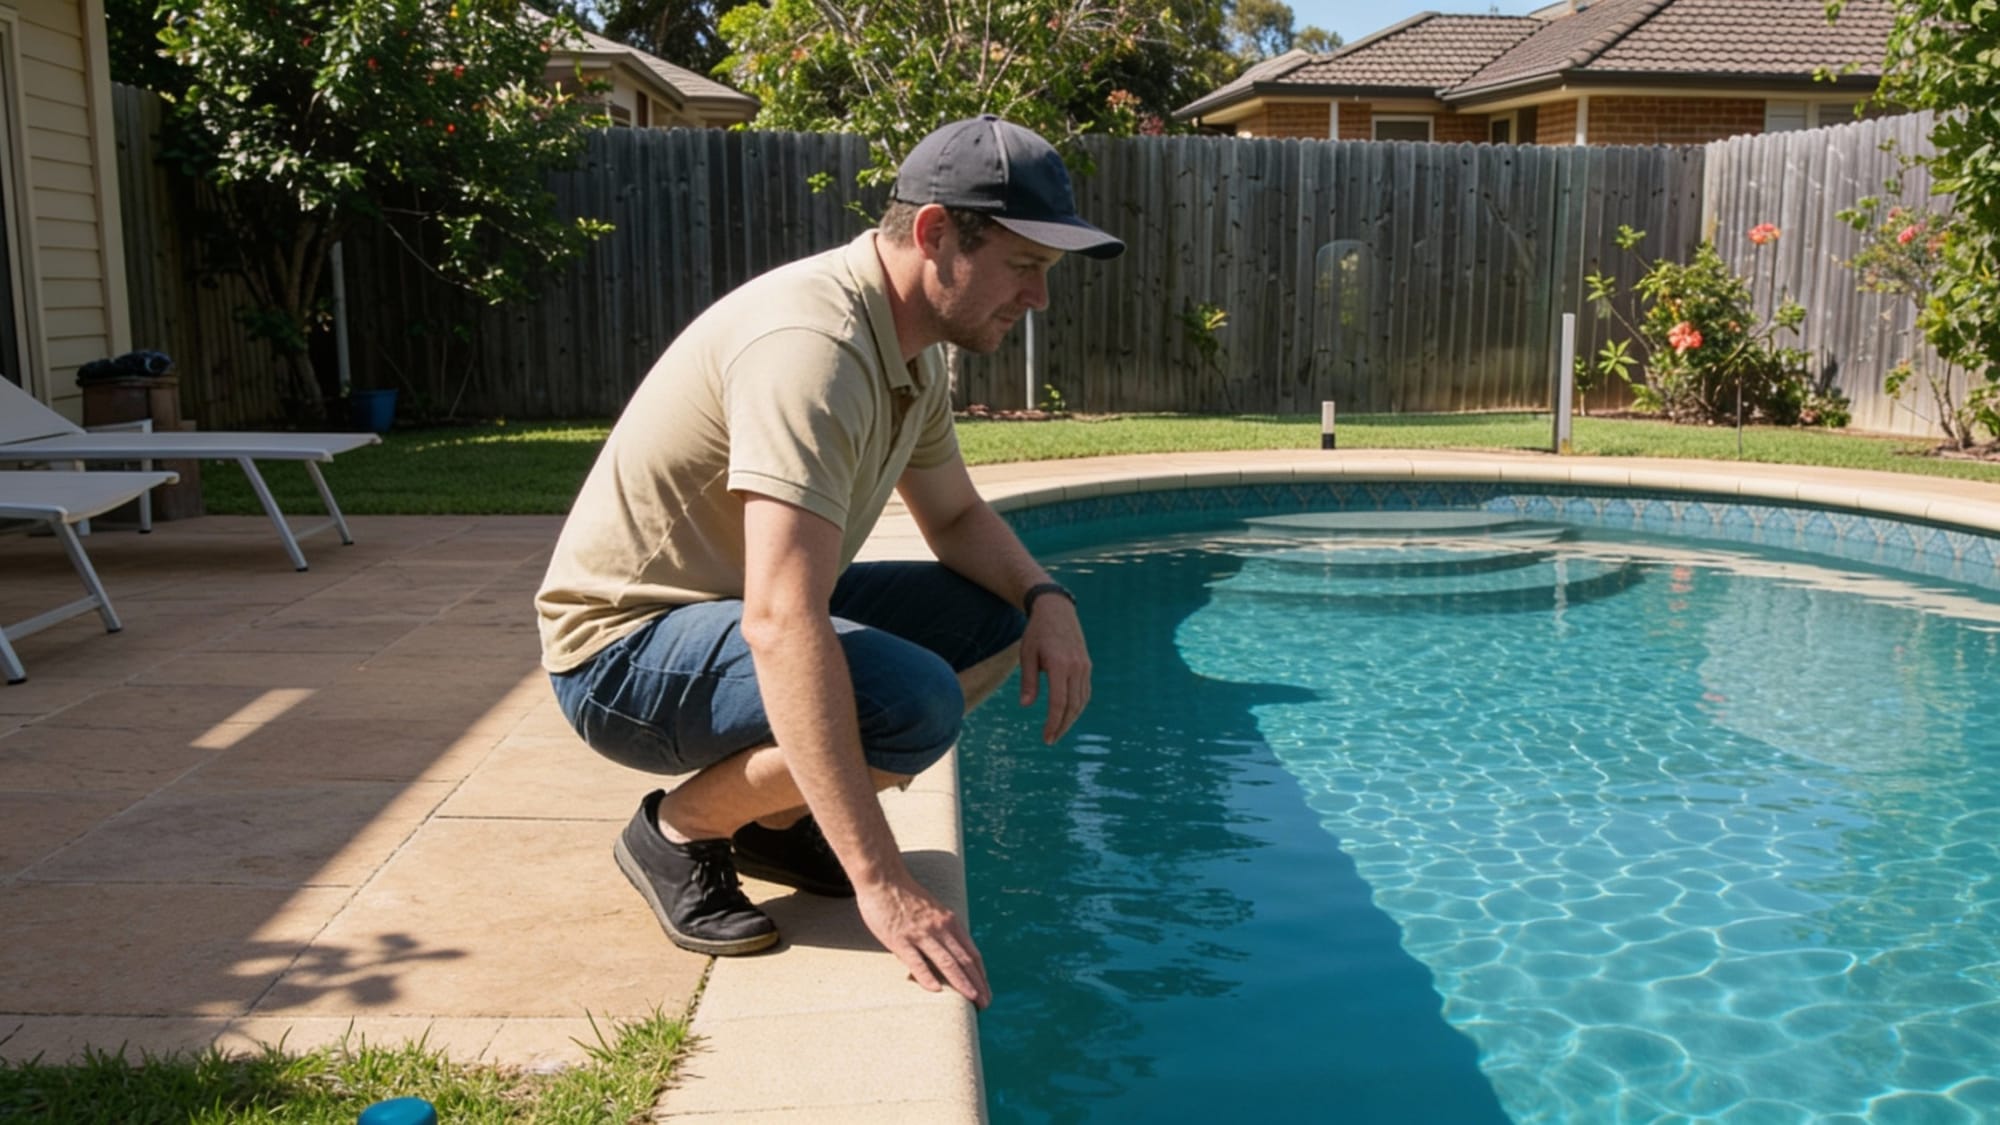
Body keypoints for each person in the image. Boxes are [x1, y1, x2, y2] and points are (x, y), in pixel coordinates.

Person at [536, 115, 1124, 1009]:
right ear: (935, 235)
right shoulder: (811, 349)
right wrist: (880, 877)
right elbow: (780, 621)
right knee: (913, 700)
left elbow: (956, 514)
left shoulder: (909, 348)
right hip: (620, 653)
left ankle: (774, 821)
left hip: (721, 612)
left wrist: (1049, 595)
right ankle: (677, 827)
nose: (1039, 298)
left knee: (994, 618)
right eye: (1026, 266)